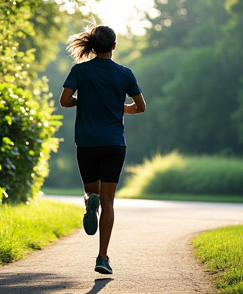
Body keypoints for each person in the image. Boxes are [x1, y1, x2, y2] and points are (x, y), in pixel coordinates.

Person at [59, 23, 146, 275]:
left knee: (92, 193)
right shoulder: (125, 73)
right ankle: (102, 257)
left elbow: (64, 101)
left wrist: (82, 101)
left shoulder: (79, 71)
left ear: (93, 47)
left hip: (86, 143)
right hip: (114, 144)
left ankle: (89, 201)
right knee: (109, 202)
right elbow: (140, 106)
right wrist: (121, 108)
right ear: (114, 46)